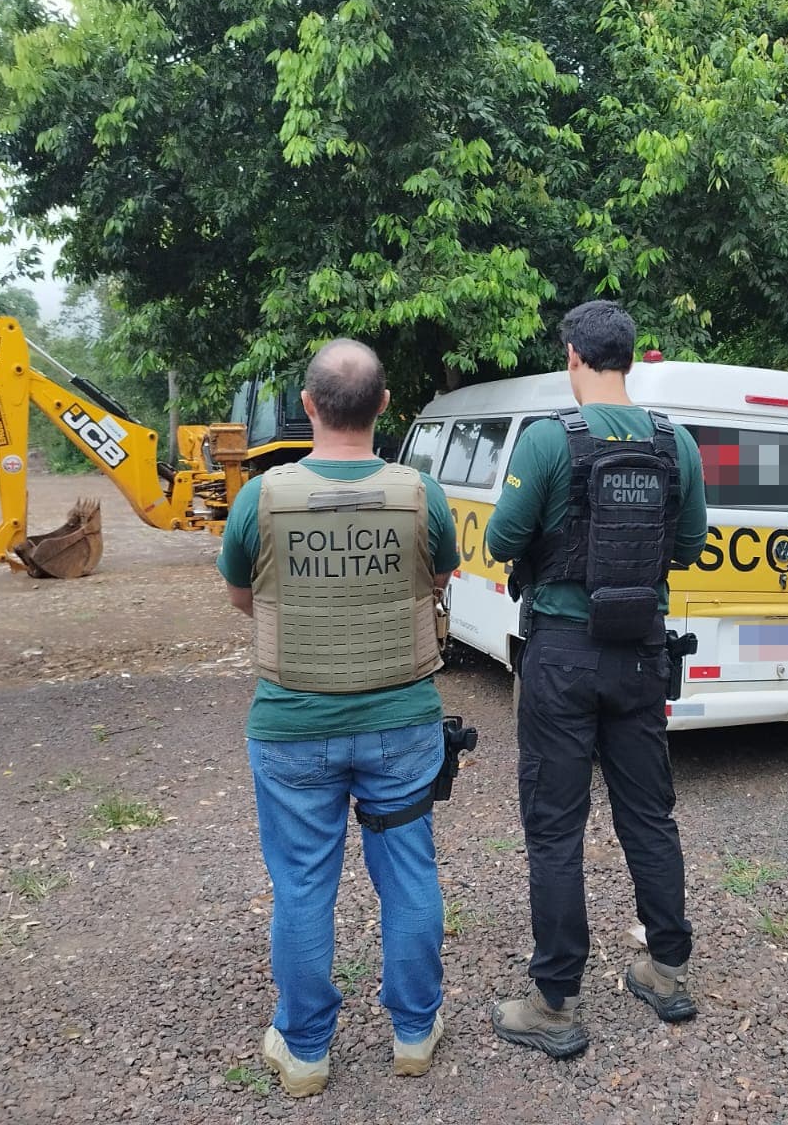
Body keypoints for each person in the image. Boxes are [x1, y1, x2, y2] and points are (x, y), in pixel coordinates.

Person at [218, 339, 459, 1096]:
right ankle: (414, 1032)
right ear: (384, 405)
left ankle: (306, 1050)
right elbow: (440, 577)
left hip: (293, 727)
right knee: (410, 876)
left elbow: (240, 595)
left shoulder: (261, 495)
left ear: (310, 407)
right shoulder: (423, 493)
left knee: (301, 888)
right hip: (402, 722)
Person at [485, 300, 709, 1058]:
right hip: (643, 652)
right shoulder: (676, 443)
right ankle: (667, 972)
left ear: (574, 357)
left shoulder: (550, 440)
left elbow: (502, 537)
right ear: (632, 359)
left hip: (562, 654)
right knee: (649, 815)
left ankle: (554, 1002)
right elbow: (688, 544)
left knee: (556, 826)